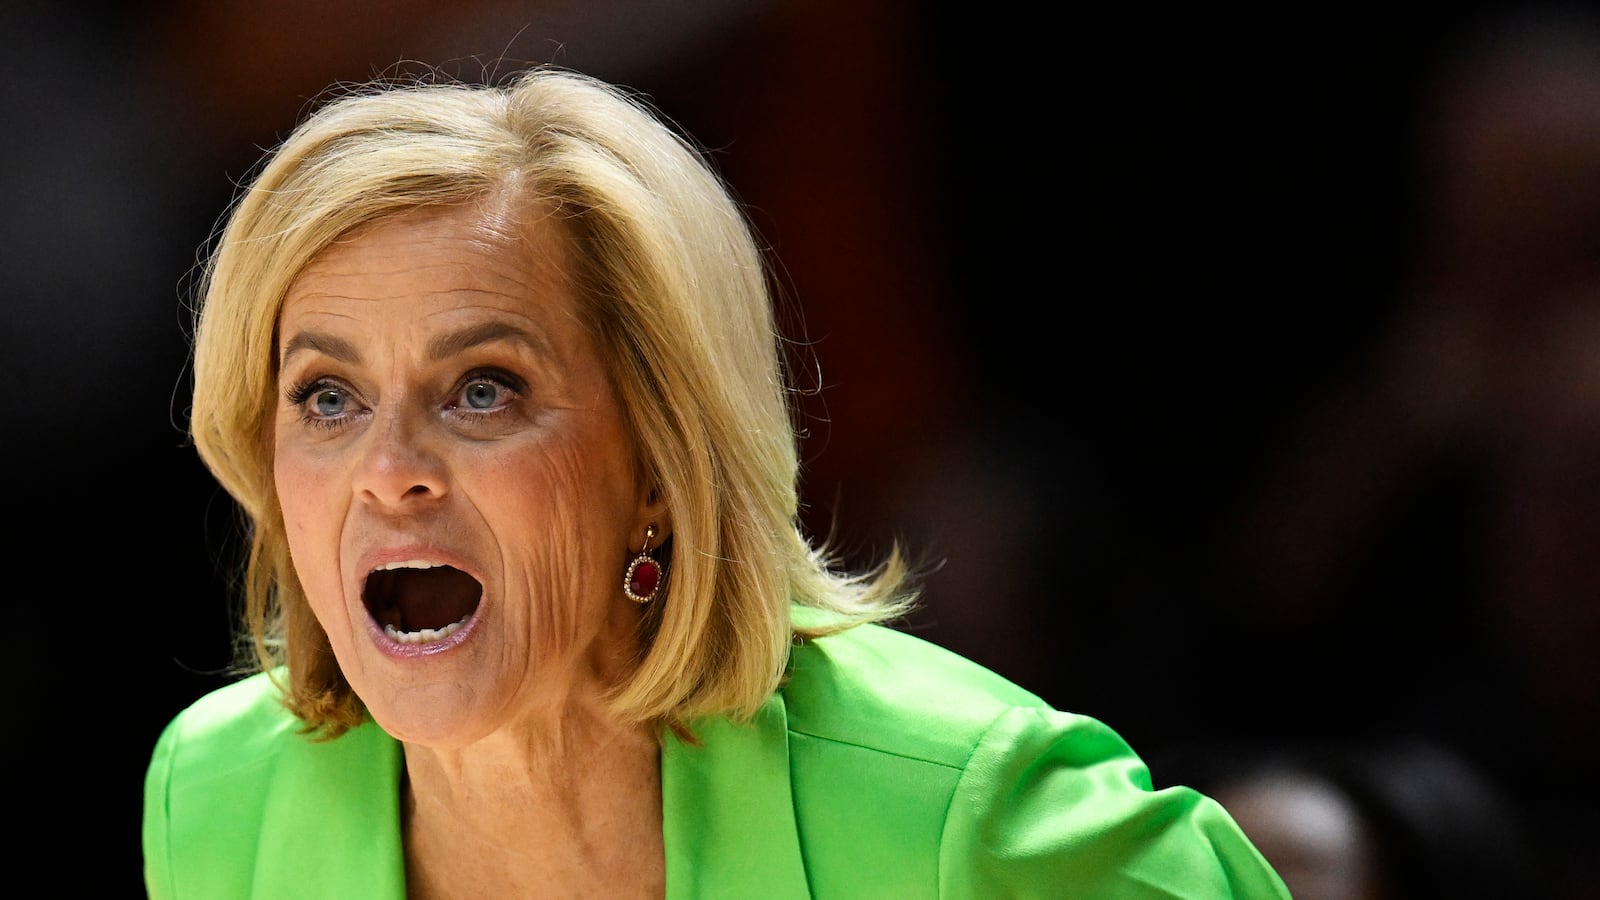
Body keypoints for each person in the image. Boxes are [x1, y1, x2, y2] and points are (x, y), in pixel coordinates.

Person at [141, 65, 1291, 899]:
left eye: (483, 389)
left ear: (659, 461)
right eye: (327, 399)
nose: (388, 472)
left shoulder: (966, 816)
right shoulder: (219, 796)